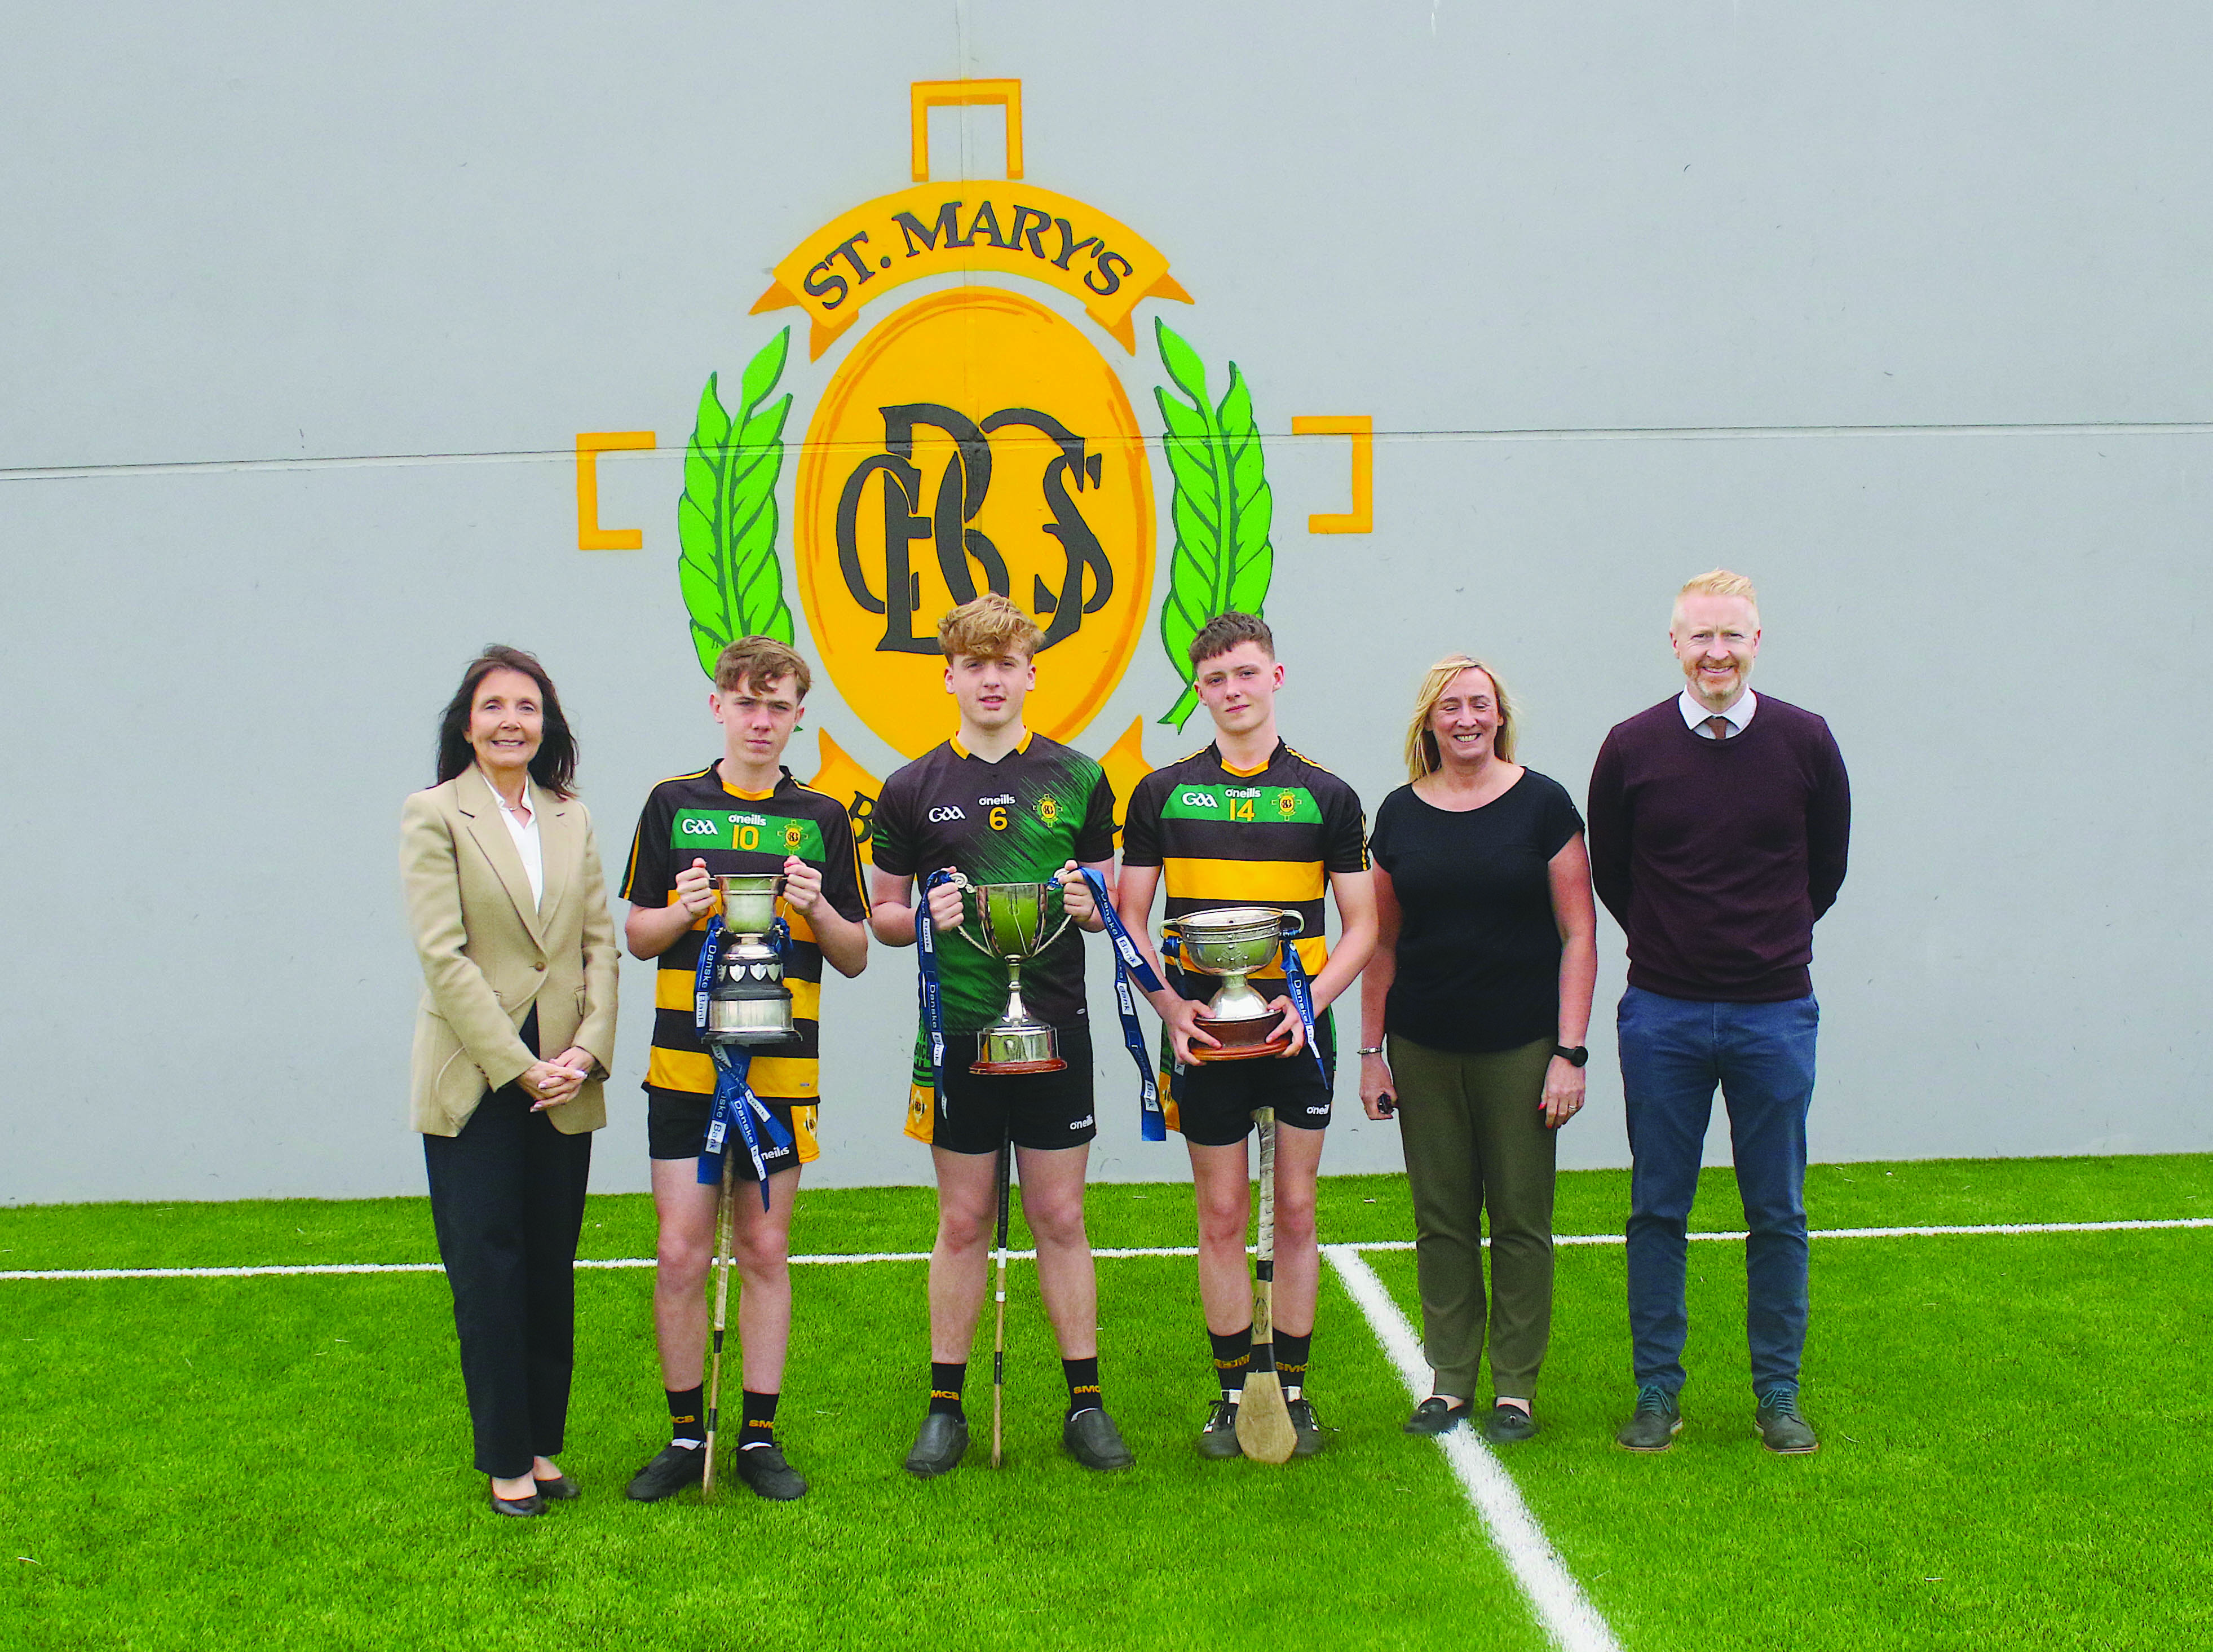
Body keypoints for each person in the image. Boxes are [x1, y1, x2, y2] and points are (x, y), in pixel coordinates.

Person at [867, 592, 1131, 1477]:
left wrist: (1094, 904)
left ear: (1029, 674)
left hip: (1055, 1026)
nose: (990, 678)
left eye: (1006, 663)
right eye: (974, 665)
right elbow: (882, 914)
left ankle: (1085, 1403)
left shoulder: (1080, 778)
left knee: (1061, 1214)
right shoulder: (909, 786)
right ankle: (945, 1407)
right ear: (949, 676)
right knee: (964, 1215)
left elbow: (1104, 909)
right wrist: (920, 917)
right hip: (958, 1036)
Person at [1587, 569, 1850, 1455]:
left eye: (1732, 635)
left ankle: (1778, 1391)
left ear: (1757, 642)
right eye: (1700, 637)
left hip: (1774, 1014)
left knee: (1776, 1209)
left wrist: (1763, 946)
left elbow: (1826, 871)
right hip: (1662, 1013)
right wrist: (1680, 947)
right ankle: (1657, 1391)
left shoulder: (1806, 742)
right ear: (1674, 645)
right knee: (1658, 1207)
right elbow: (1614, 874)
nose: (1716, 653)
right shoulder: (1630, 747)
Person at [1115, 611, 1376, 1459]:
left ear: (1276, 676)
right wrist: (1169, 1006)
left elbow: (1364, 925)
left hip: (1296, 1033)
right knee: (1223, 1211)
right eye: (1216, 678)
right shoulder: (1160, 792)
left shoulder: (1326, 795)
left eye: (1245, 673)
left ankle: (1292, 1392)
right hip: (1204, 1032)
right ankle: (1234, 1394)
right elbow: (1130, 917)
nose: (1232, 690)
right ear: (1200, 689)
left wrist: (1312, 1004)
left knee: (1295, 1209)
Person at [617, 638, 870, 1504]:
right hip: (684, 1071)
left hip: (780, 1074)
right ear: (717, 705)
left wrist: (821, 907)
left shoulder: (823, 817)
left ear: (801, 713)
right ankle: (688, 1432)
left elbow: (855, 955)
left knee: (765, 1247)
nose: (762, 719)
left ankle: (758, 1435)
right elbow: (636, 935)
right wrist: (678, 912)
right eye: (747, 701)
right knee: (681, 1251)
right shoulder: (672, 805)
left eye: (779, 705)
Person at [400, 644, 619, 1517]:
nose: (510, 721)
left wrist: (588, 1050)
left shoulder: (573, 816)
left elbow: (599, 943)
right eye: (494, 706)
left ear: (546, 725)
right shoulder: (432, 814)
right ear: (467, 722)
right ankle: (503, 1459)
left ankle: (538, 1444)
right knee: (488, 1266)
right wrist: (519, 1064)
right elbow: (444, 959)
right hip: (478, 1076)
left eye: (527, 707)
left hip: (566, 1077)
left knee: (547, 1265)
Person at [1357, 655, 1596, 1445]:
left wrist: (1571, 1051)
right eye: (1450, 706)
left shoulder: (1544, 805)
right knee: (1442, 1218)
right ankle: (1451, 1380)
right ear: (1429, 721)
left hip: (1522, 1046)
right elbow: (1382, 941)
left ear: (1500, 716)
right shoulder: (1398, 814)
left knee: (1522, 1218)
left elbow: (1580, 933)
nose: (1466, 718)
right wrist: (1370, 1050)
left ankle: (1517, 1388)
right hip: (1423, 1046)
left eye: (1479, 705)